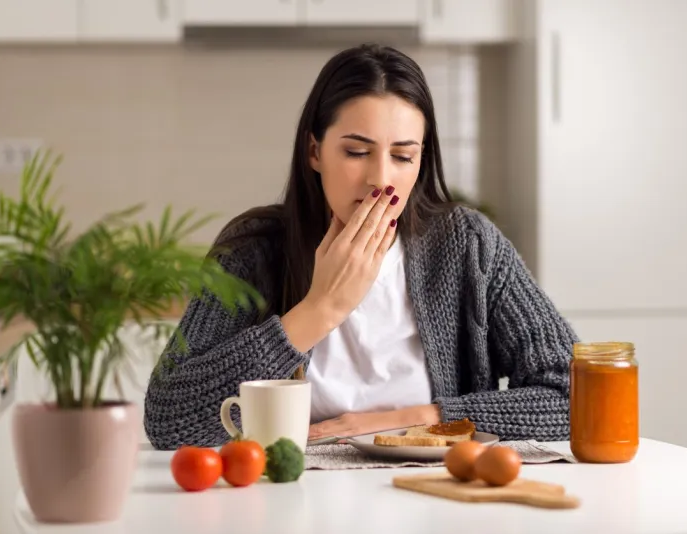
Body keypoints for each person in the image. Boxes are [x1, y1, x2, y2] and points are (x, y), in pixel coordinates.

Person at [143, 43, 579, 451]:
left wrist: (423, 419)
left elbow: (574, 395)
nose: (380, 179)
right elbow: (169, 420)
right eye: (356, 151)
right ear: (314, 151)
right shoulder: (252, 251)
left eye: (403, 156)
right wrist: (320, 309)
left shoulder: (468, 246)